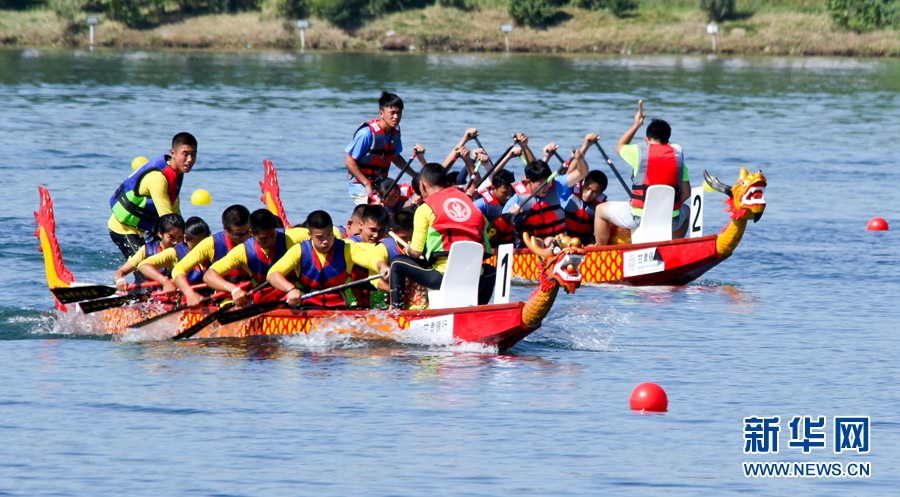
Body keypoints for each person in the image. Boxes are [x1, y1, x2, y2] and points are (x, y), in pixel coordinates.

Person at [389, 163, 495, 309]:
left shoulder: (424, 208)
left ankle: (397, 313)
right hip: (475, 277)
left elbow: (416, 252)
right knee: (490, 271)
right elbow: (485, 226)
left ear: (423, 185)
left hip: (442, 277)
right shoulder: (469, 203)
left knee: (397, 263)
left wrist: (407, 249)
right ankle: (477, 310)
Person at [593, 104, 691, 245]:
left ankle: (601, 251)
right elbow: (686, 194)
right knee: (687, 211)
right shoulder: (678, 158)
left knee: (600, 210)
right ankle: (673, 247)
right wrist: (666, 206)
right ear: (668, 140)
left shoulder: (638, 152)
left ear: (646, 139)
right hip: (671, 220)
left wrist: (636, 124)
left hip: (638, 217)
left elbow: (619, 146)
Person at [267, 211, 390, 309]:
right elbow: (273, 274)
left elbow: (369, 259)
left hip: (339, 308)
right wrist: (291, 290)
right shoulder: (299, 250)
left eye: (329, 234)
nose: (326, 241)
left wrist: (382, 266)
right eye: (319, 237)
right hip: (308, 306)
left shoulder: (346, 248)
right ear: (310, 234)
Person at [108, 132, 197, 258]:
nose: (190, 159)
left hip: (139, 230)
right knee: (145, 269)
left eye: (193, 154)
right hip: (122, 228)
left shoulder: (175, 175)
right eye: (185, 154)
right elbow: (168, 221)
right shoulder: (158, 179)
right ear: (173, 153)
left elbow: (175, 213)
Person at [503, 133, 597, 243]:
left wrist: (580, 160)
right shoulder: (517, 198)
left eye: (547, 182)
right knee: (542, 241)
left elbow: (582, 173)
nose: (546, 187)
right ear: (529, 181)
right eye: (541, 184)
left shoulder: (557, 184)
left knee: (554, 241)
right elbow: (502, 227)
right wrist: (510, 215)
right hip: (530, 249)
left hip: (559, 244)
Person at [344, 92, 423, 204]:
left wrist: (416, 177)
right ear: (381, 113)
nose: (396, 117)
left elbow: (395, 157)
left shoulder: (395, 132)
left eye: (399, 113)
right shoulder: (366, 134)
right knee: (378, 211)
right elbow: (349, 161)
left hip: (381, 185)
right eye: (392, 113)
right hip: (361, 186)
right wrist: (367, 184)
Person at [204, 209, 295, 307]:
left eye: (273, 235)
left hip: (296, 296)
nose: (270, 241)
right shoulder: (243, 251)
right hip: (266, 298)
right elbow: (209, 276)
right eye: (263, 238)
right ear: (251, 233)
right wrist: (234, 290)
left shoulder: (293, 236)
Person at [171, 205, 251, 306]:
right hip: (225, 300)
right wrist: (189, 293)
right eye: (238, 235)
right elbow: (178, 270)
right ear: (225, 228)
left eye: (248, 232)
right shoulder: (212, 243)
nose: (245, 238)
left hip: (254, 295)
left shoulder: (258, 238)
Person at [137, 217, 211, 298]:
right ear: (185, 238)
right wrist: (165, 282)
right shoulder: (174, 253)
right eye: (194, 246)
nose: (200, 250)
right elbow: (143, 265)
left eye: (203, 246)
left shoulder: (216, 248)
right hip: (186, 301)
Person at [112, 213, 185, 292]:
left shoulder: (185, 250)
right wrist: (120, 281)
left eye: (180, 237)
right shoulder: (147, 250)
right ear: (160, 234)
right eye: (171, 237)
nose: (176, 242)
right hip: (150, 296)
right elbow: (119, 273)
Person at [563, 170, 609, 245]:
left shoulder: (602, 206)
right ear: (583, 181)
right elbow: (569, 172)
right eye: (587, 187)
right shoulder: (567, 191)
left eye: (595, 192)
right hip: (562, 239)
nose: (588, 194)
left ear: (601, 193)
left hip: (584, 243)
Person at [474, 169, 516, 245]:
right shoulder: (482, 204)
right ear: (493, 188)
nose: (508, 196)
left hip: (511, 245)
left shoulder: (514, 198)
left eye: (510, 192)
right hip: (491, 247)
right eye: (505, 193)